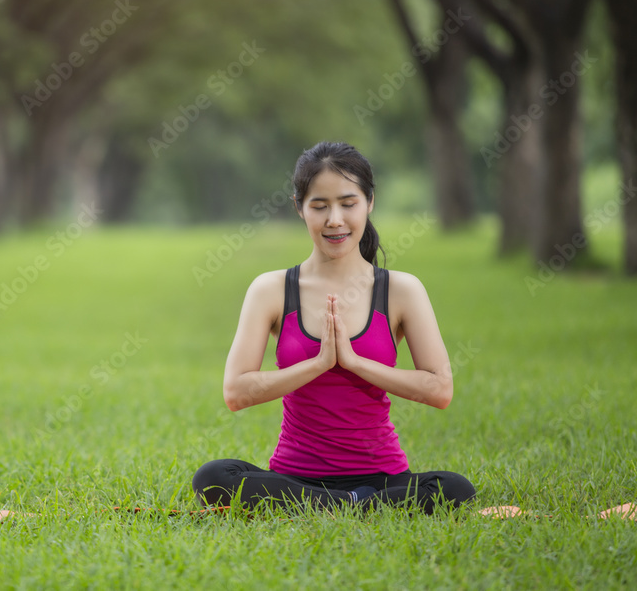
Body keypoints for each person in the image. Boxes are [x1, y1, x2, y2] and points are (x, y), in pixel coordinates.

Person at [192, 141, 476, 515]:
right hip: (295, 478)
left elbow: (439, 390)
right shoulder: (272, 289)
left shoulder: (401, 290)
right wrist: (318, 364)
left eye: (348, 203)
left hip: (382, 477)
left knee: (455, 488)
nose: (335, 220)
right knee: (213, 477)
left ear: (370, 202)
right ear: (299, 208)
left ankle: (337, 505)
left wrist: (355, 362)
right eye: (320, 206)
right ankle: (357, 506)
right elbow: (236, 392)